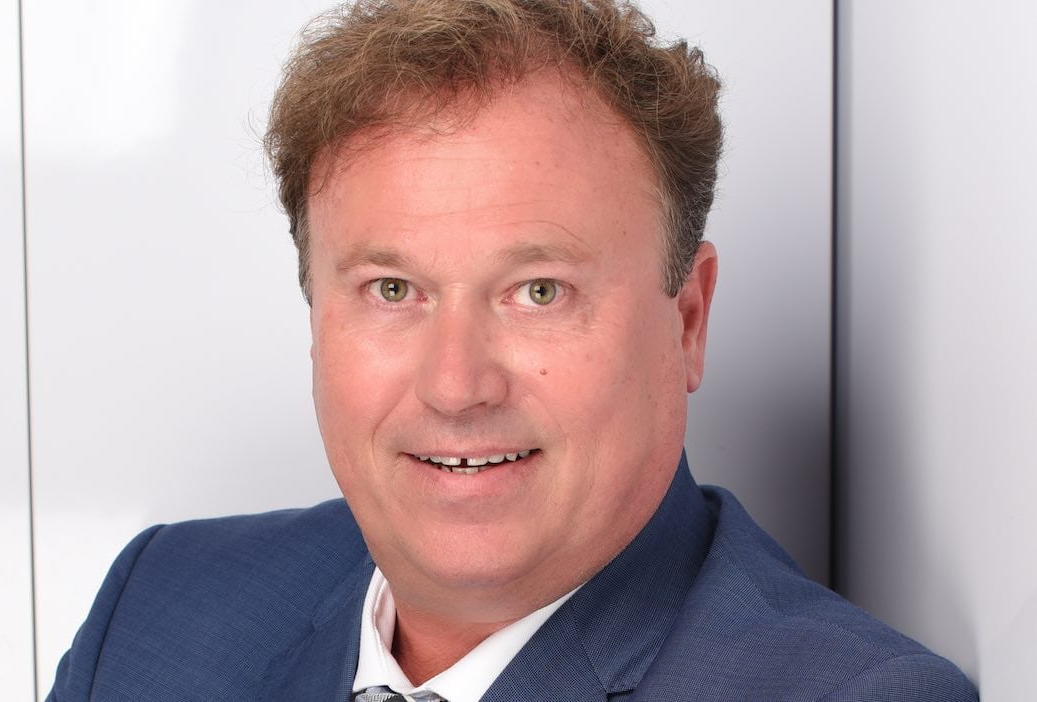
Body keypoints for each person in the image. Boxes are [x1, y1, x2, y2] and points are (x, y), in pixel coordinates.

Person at [48, 1, 977, 700]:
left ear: (687, 320)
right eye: (392, 290)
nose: (456, 385)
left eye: (539, 292)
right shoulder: (158, 608)